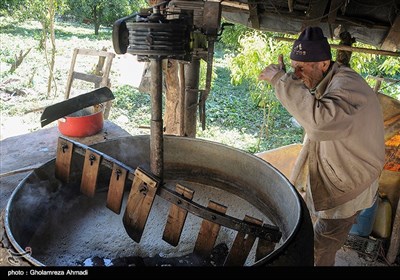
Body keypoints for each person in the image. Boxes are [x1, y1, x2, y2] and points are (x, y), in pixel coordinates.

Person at [258, 26, 386, 266]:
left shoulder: (347, 87)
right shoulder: (328, 79)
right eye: (293, 66)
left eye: (301, 68)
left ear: (324, 64)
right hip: (338, 175)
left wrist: (279, 80)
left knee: (319, 248)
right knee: (311, 230)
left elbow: (319, 123)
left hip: (349, 186)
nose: (295, 74)